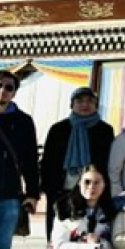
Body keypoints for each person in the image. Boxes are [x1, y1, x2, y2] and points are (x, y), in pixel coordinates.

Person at [41, 86, 115, 240]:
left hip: (92, 191)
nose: (84, 105)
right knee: (58, 235)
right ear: (72, 104)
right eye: (79, 101)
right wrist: (48, 188)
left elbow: (108, 162)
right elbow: (47, 162)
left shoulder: (105, 130)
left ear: (96, 105)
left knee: (90, 233)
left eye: (89, 101)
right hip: (62, 190)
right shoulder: (58, 129)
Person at [0, 69, 39, 249]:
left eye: (8, 87)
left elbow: (30, 160)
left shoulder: (23, 121)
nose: (2, 91)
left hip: (9, 195)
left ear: (15, 91)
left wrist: (32, 192)